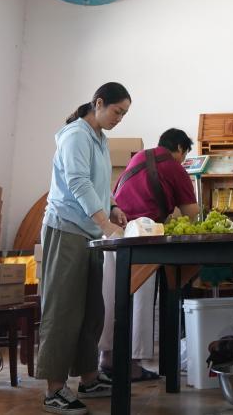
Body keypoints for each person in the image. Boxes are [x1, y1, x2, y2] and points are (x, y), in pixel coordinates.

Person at [37, 82, 131, 415]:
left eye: (124, 114)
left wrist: (112, 205)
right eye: (117, 111)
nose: (119, 118)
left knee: (92, 309)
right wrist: (105, 223)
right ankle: (54, 389)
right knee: (63, 310)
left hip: (88, 233)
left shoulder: (100, 139)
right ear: (99, 103)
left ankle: (89, 379)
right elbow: (77, 182)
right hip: (66, 229)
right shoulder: (75, 135)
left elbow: (98, 182)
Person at [98, 128, 200, 381]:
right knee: (141, 299)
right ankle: (133, 362)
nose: (183, 160)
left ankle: (106, 356)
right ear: (179, 148)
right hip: (143, 233)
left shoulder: (138, 157)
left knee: (111, 294)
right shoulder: (174, 167)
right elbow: (191, 212)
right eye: (184, 154)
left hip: (113, 231)